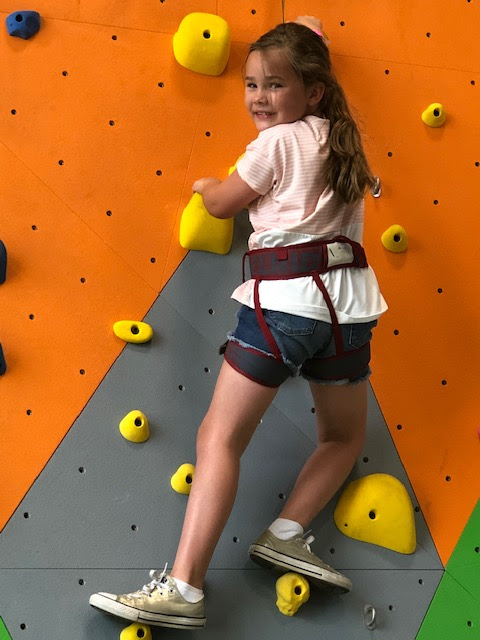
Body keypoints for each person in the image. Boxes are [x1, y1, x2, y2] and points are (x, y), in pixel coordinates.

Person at [89, 16, 387, 630]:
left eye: (274, 84)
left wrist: (206, 186)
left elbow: (225, 203)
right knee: (343, 438)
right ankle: (288, 532)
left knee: (219, 440)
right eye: (252, 85)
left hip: (283, 308)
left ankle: (184, 586)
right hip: (348, 315)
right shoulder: (345, 145)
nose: (259, 97)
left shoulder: (275, 144)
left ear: (313, 91)